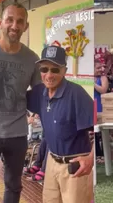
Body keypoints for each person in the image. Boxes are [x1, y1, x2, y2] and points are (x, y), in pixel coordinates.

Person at [0, 3, 41, 203]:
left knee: (14, 187)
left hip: (17, 134)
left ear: (26, 26)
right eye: (10, 20)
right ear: (0, 23)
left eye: (20, 21)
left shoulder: (32, 59)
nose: (14, 25)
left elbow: (39, 95)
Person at [27, 46, 94, 203]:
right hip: (51, 162)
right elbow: (14, 98)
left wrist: (90, 159)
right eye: (44, 69)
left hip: (74, 167)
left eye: (55, 70)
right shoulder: (39, 92)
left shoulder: (76, 94)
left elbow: (99, 128)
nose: (49, 75)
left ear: (64, 70)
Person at [94, 60, 109, 164]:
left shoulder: (103, 78)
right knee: (92, 132)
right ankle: (95, 154)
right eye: (98, 68)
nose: (102, 69)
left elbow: (103, 90)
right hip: (89, 107)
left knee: (101, 131)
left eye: (102, 67)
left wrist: (92, 83)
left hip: (99, 107)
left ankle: (104, 155)